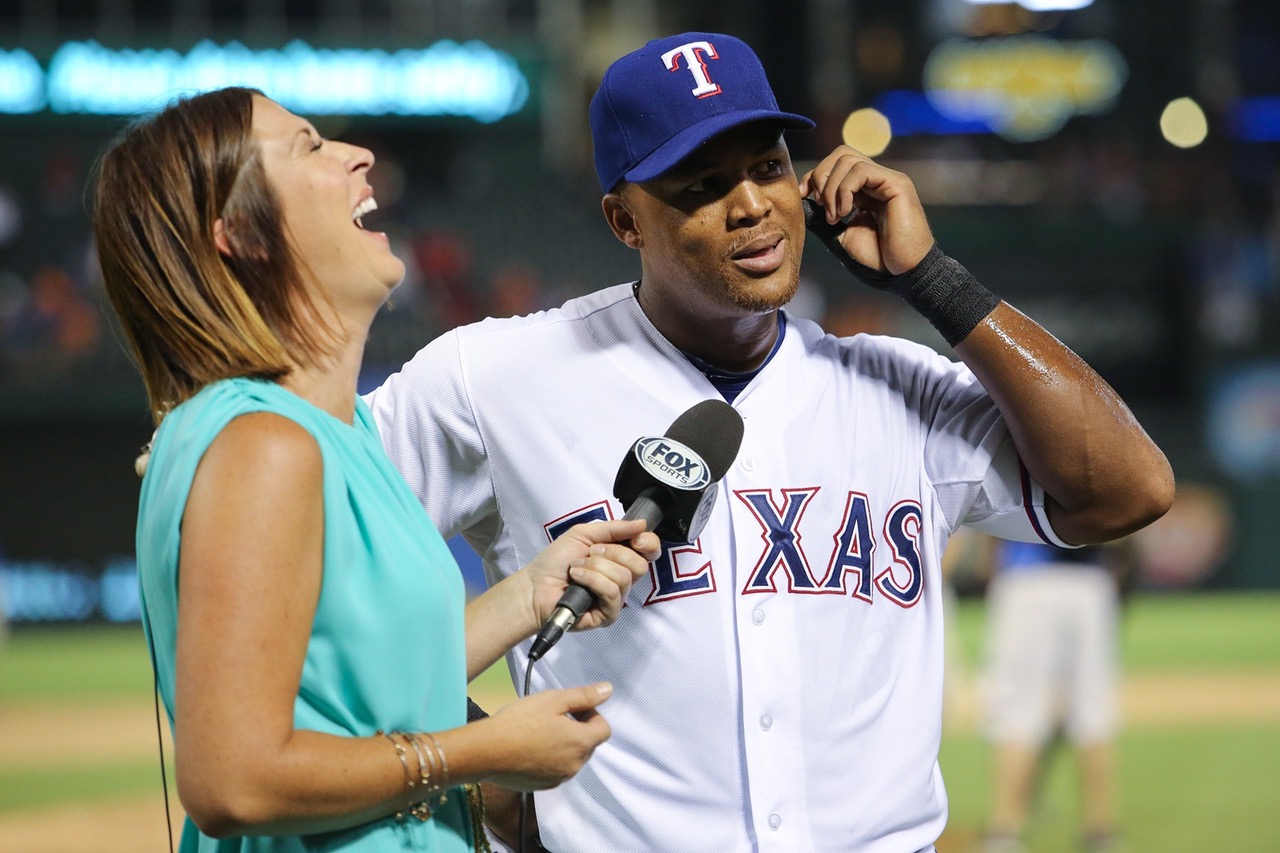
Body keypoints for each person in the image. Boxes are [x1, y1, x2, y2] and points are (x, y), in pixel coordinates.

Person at [366, 32, 1174, 852]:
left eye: (768, 166)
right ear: (623, 220)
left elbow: (1129, 491)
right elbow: (303, 571)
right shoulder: (495, 376)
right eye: (704, 185)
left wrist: (934, 281)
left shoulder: (898, 384)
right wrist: (476, 764)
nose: (751, 204)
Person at [91, 86, 658, 852]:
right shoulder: (264, 444)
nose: (357, 154)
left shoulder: (337, 429)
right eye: (308, 146)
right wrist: (484, 752)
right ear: (240, 235)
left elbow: (362, 684)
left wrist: (529, 593)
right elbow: (232, 781)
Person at [980, 538, 1134, 853]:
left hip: (1027, 579)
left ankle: (1004, 831)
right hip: (1090, 583)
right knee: (1092, 711)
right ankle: (1101, 832)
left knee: (1016, 711)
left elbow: (991, 521)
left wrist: (992, 571)